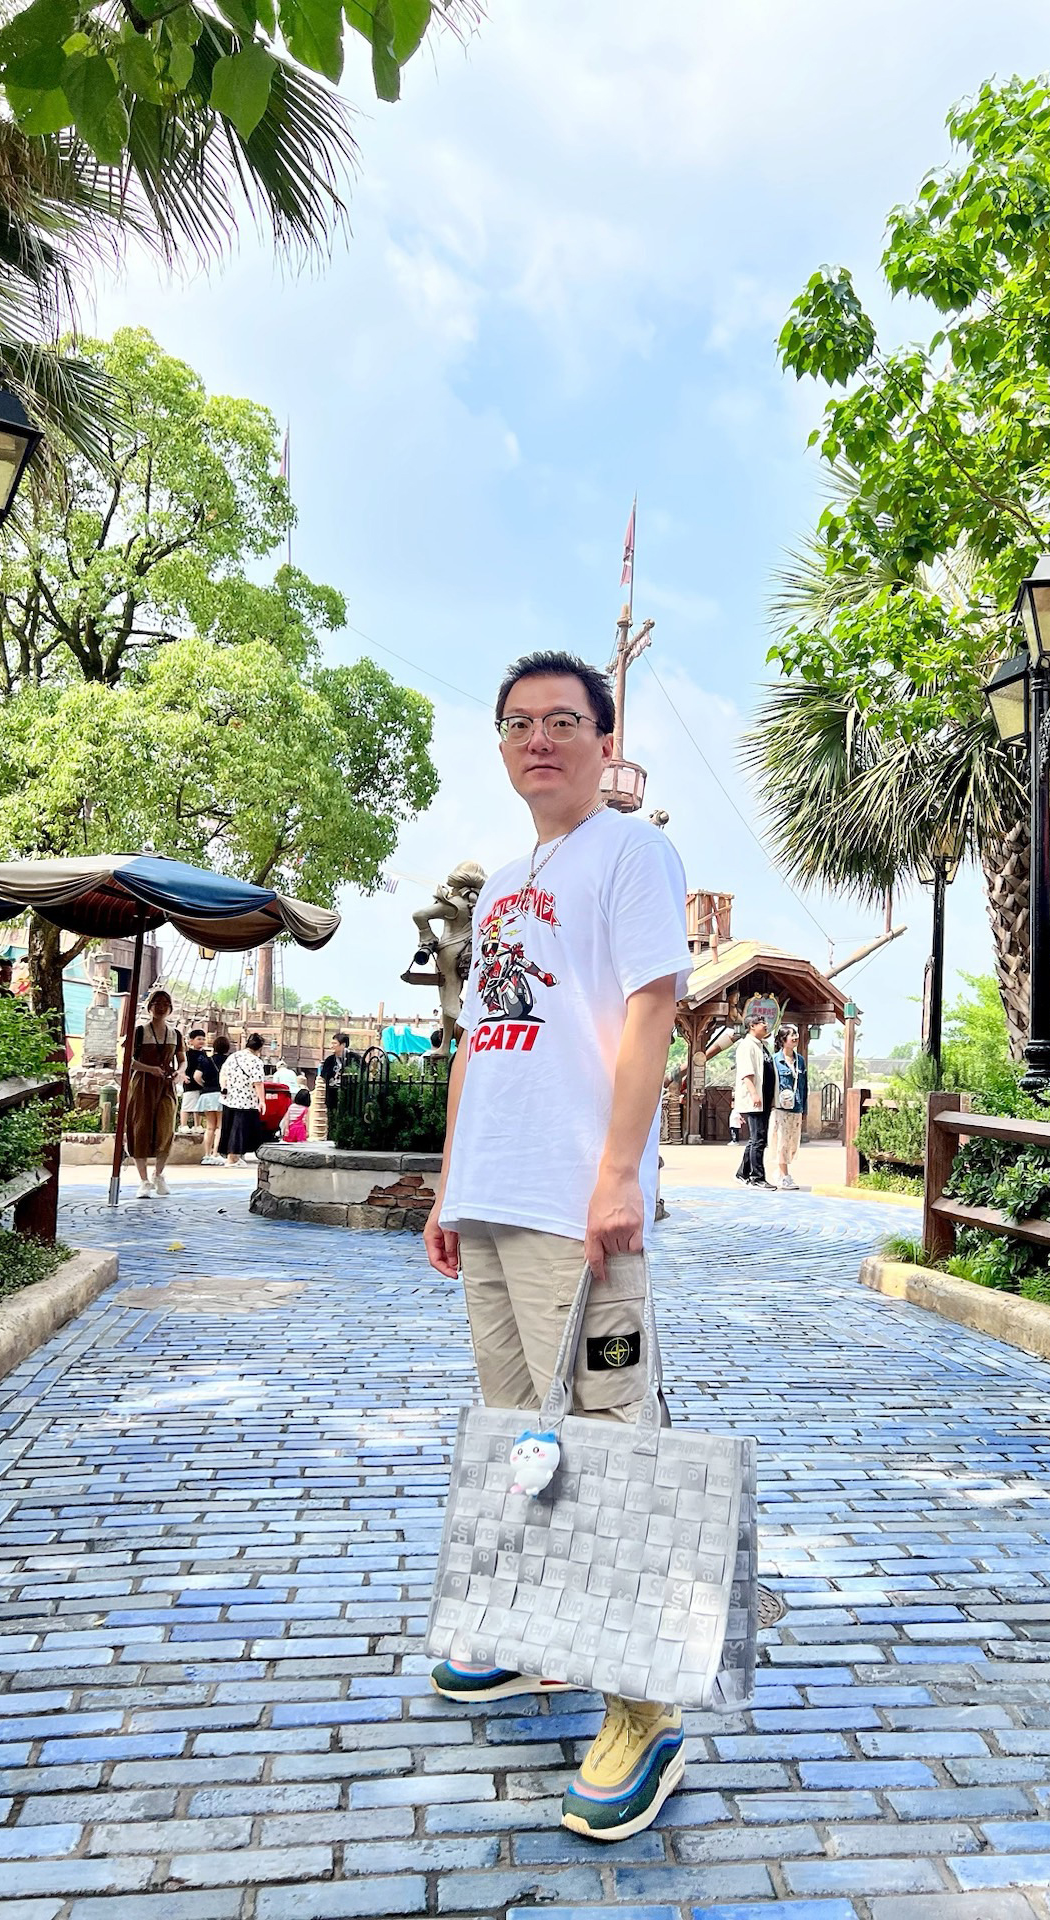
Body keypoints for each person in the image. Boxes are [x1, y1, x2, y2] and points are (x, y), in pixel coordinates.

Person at [424, 647, 691, 1844]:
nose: (540, 739)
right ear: (502, 745)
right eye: (520, 723)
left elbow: (652, 1008)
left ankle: (645, 1707)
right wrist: (449, 1182)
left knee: (606, 1443)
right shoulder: (500, 887)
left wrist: (618, 1174)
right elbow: (482, 1039)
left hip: (576, 1203)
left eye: (563, 721)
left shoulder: (631, 853)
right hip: (493, 1194)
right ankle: (535, 1629)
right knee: (516, 1438)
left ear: (604, 740)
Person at [126, 989, 184, 1198]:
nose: (161, 1007)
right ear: (149, 1007)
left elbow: (182, 1059)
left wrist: (180, 1071)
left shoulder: (175, 1034)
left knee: (166, 1128)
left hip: (166, 1085)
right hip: (142, 1085)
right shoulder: (140, 1032)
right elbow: (128, 1060)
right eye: (157, 1003)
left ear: (170, 1008)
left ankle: (159, 1175)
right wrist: (149, 1069)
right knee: (140, 1128)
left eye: (165, 1004)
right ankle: (143, 1180)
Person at [733, 1013, 775, 1190]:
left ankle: (742, 1173)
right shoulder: (746, 1046)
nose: (765, 1025)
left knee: (757, 1138)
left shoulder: (762, 1046)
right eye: (761, 1022)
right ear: (752, 1026)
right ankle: (756, 1177)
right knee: (758, 1139)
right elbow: (746, 1073)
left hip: (765, 1098)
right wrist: (754, 1094)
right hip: (755, 1099)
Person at [219, 1032, 267, 1166]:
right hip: (246, 1100)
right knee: (239, 1129)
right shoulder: (256, 1061)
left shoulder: (233, 1057)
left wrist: (224, 1088)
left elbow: (223, 1074)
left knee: (229, 1128)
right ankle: (233, 1158)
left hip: (229, 1098)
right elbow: (258, 1082)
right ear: (260, 1047)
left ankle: (231, 1156)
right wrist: (262, 1101)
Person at [770, 1024, 808, 1190]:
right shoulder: (775, 1060)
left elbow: (804, 1085)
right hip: (780, 1108)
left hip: (796, 1106)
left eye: (796, 1034)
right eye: (792, 1035)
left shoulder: (800, 1060)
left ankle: (780, 1172)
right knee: (782, 1142)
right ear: (783, 1040)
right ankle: (785, 1175)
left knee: (792, 1144)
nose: (795, 1037)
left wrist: (804, 1108)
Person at [197, 1034, 229, 1164]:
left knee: (210, 1127)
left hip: (207, 1094)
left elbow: (197, 1076)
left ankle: (207, 1155)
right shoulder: (229, 1061)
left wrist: (205, 1085)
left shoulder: (206, 1060)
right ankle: (216, 1153)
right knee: (220, 1126)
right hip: (222, 1094)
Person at [181, 1028, 210, 1134]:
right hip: (189, 1082)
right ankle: (183, 1125)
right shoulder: (187, 1053)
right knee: (187, 1105)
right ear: (191, 1040)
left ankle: (197, 1125)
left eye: (203, 1039)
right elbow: (182, 1065)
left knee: (198, 1106)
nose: (201, 1041)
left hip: (200, 1083)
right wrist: (183, 1075)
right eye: (199, 1039)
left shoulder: (204, 1054)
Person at [320, 1031, 351, 1111]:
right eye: (331, 1043)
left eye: (335, 1043)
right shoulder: (329, 1060)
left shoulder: (354, 1058)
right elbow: (323, 1077)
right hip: (332, 1098)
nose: (331, 1046)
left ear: (343, 1045)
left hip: (350, 1100)